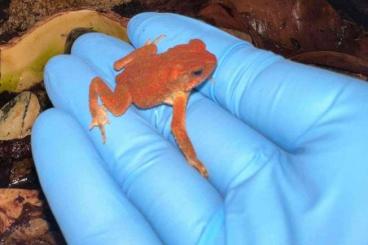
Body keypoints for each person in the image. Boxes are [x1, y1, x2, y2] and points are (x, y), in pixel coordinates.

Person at [32, 12, 368, 244]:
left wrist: (152, 53)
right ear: (184, 78)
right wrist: (193, 160)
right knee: (117, 108)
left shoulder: (181, 84)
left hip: (148, 63)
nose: (206, 68)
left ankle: (144, 57)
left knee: (131, 59)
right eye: (197, 72)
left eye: (201, 61)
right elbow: (179, 131)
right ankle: (95, 105)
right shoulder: (178, 95)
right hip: (135, 89)